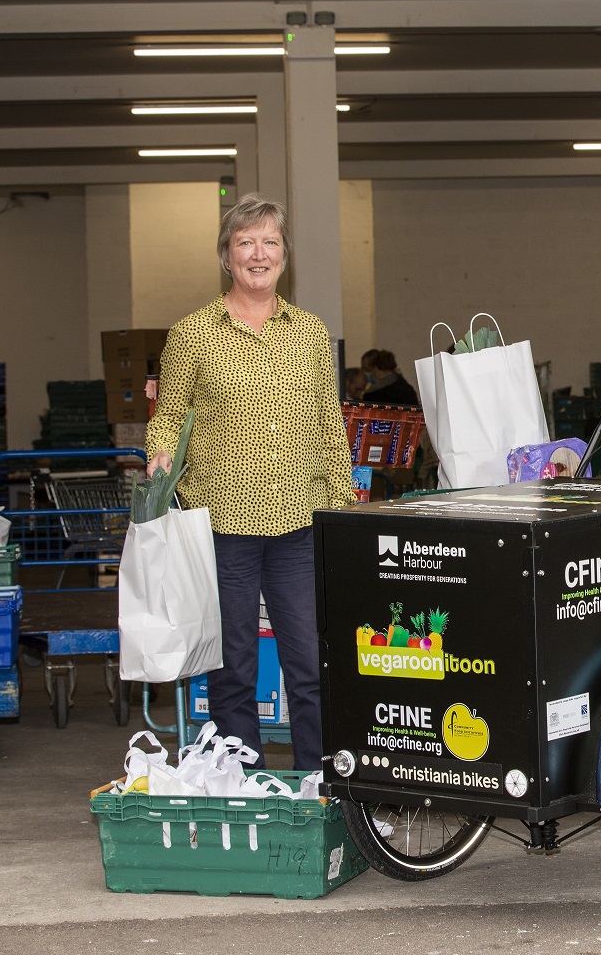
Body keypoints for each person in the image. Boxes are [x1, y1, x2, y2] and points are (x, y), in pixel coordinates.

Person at [146, 192, 355, 771]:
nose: (258, 254)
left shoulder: (309, 334)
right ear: (226, 256)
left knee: (311, 665)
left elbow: (326, 426)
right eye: (246, 243)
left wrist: (340, 508)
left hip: (296, 524)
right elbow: (170, 414)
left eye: (270, 242)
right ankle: (242, 783)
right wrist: (160, 455)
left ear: (285, 257)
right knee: (232, 666)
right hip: (221, 528)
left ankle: (322, 786)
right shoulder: (192, 334)